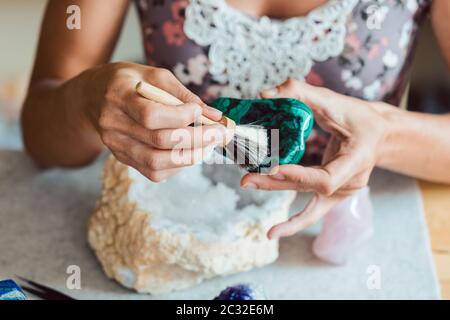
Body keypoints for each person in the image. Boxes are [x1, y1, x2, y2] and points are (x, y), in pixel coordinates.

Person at [22, 0, 450, 239]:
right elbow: (39, 132)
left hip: (354, 233)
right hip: (172, 216)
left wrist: (386, 134)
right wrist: (86, 99)